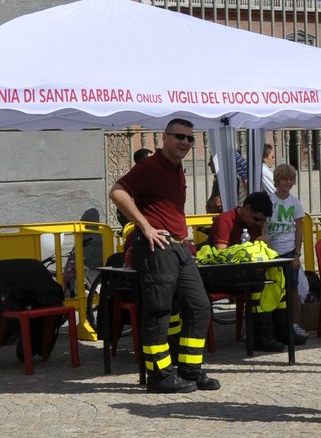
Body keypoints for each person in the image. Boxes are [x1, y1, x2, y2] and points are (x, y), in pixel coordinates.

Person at [109, 118, 221, 394]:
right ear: (164, 138)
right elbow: (117, 192)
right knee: (159, 312)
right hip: (156, 248)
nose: (185, 142)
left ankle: (189, 369)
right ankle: (159, 375)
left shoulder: (177, 168)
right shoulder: (149, 166)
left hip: (179, 247)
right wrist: (144, 226)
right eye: (179, 137)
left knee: (199, 306)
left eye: (189, 139)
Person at [208, 190, 287, 352]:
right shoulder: (224, 221)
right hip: (218, 276)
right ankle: (261, 337)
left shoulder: (254, 224)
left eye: (262, 222)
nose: (258, 224)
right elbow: (222, 255)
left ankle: (282, 331)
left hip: (246, 273)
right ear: (247, 208)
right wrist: (252, 245)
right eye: (257, 219)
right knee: (258, 283)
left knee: (277, 279)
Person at [263, 164, 309, 347]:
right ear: (277, 181)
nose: (288, 183)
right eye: (285, 179)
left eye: (291, 179)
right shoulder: (270, 200)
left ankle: (294, 323)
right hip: (272, 250)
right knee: (272, 289)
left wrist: (297, 254)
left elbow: (299, 230)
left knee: (293, 288)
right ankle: (274, 325)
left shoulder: (295, 203)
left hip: (289, 250)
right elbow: (264, 224)